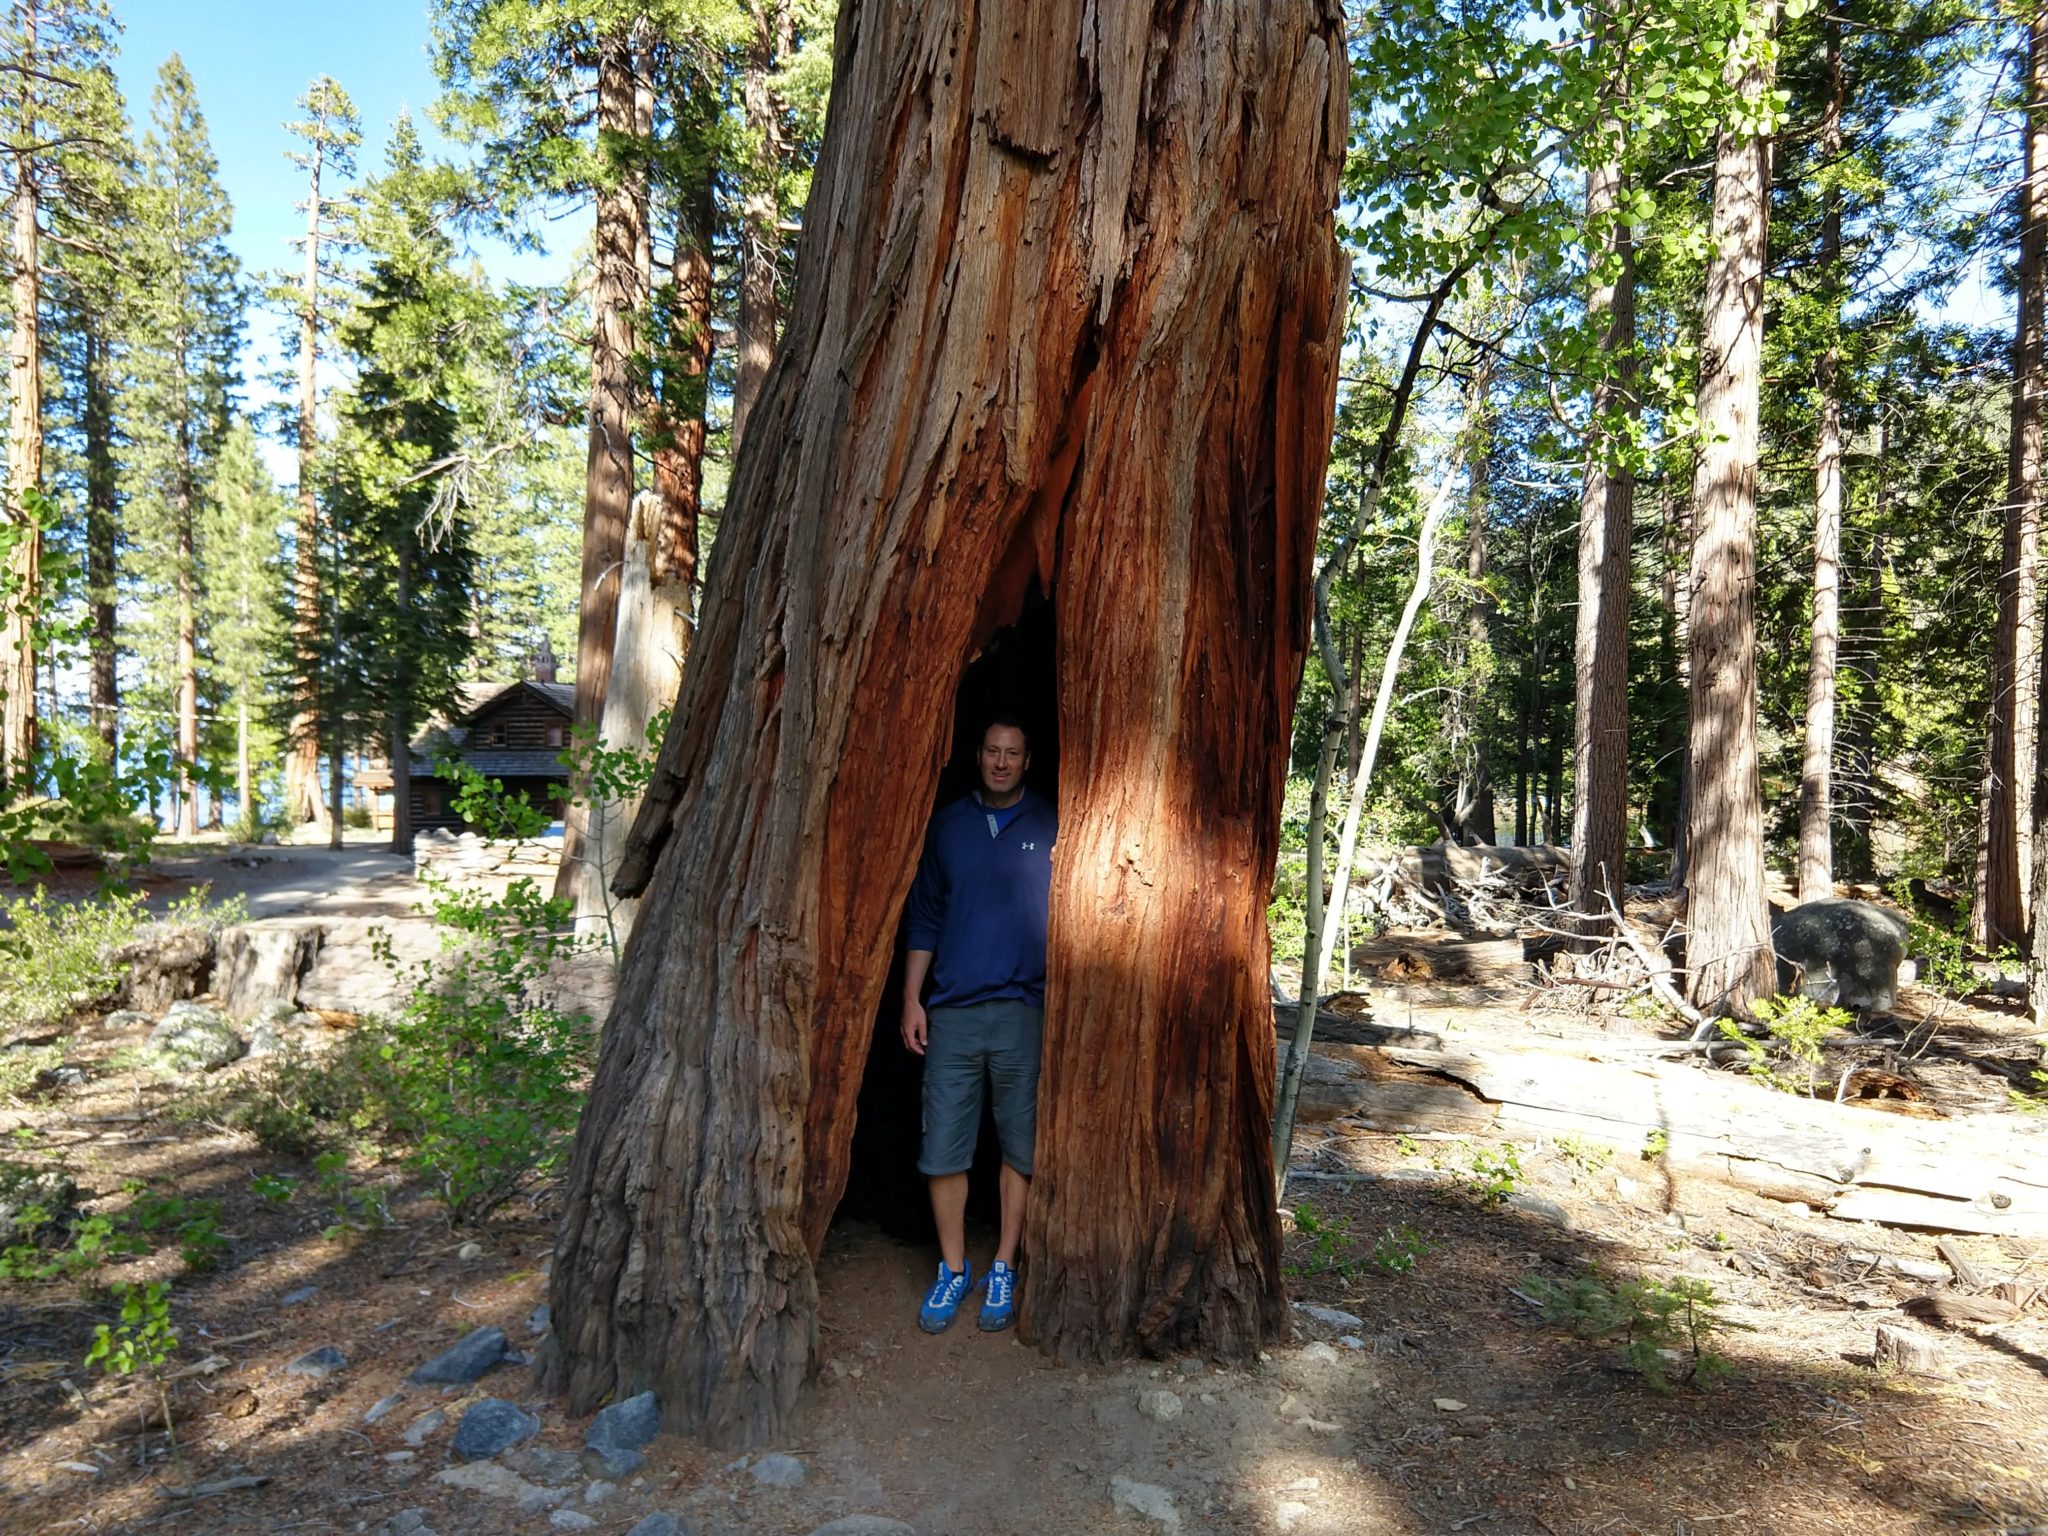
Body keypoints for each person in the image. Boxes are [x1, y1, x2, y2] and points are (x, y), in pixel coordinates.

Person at [901, 716, 1056, 1333]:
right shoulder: (949, 827)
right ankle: (952, 1268)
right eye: (992, 751)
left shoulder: (1051, 824)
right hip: (953, 1012)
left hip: (1023, 1009)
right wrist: (911, 999)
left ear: (1026, 761)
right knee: (943, 1148)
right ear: (978, 757)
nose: (1000, 762)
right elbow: (924, 919)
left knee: (1020, 1145)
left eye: (1012, 753)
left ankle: (1003, 1264)